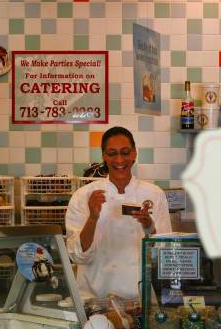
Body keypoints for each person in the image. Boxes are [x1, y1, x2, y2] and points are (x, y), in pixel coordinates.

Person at [66, 126, 172, 299]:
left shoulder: (154, 194)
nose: (120, 159)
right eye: (112, 153)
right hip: (95, 300)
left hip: (141, 300)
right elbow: (78, 256)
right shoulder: (83, 196)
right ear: (104, 156)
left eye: (125, 152)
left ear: (134, 154)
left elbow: (165, 255)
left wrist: (149, 227)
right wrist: (92, 218)